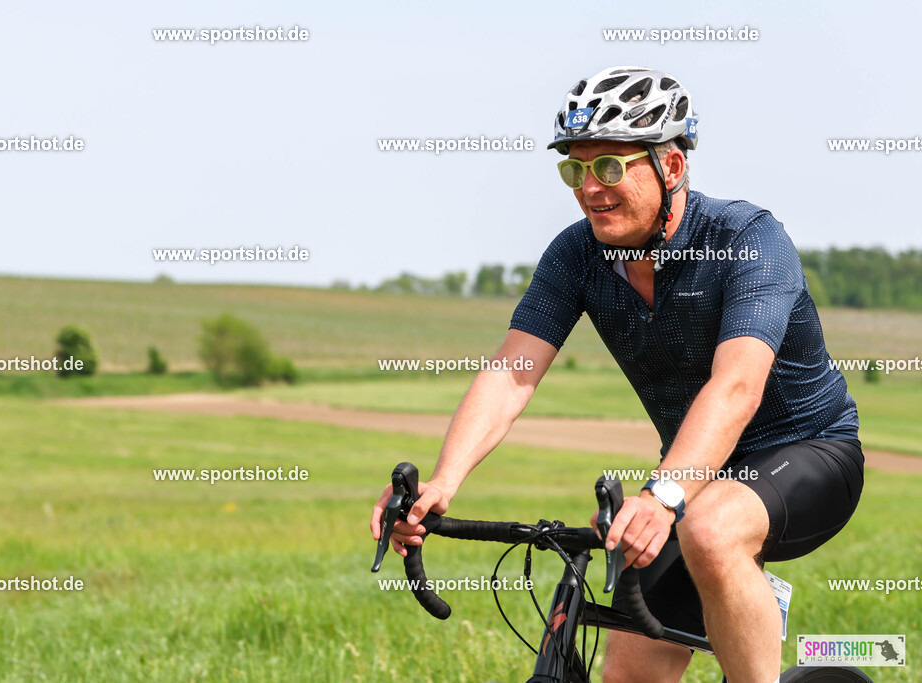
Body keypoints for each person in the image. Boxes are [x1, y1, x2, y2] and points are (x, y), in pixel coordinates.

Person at [370, 66, 864, 683]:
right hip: (690, 472)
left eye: (609, 167)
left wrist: (662, 496)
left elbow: (736, 385)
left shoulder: (747, 239)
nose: (589, 188)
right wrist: (443, 480)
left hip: (809, 455)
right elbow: (511, 371)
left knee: (710, 532)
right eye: (575, 169)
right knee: (630, 672)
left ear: (672, 169)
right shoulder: (578, 253)